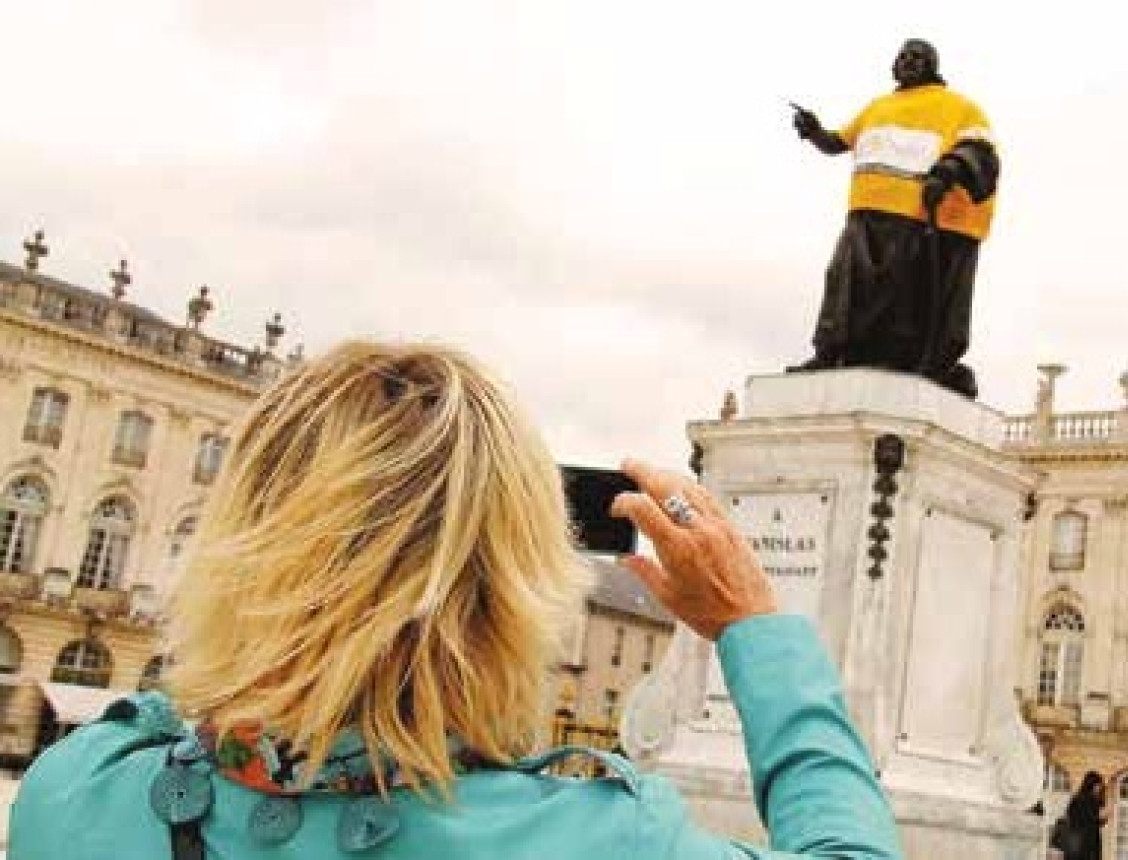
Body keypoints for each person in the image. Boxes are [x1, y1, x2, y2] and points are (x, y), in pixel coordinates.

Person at [11, 341, 902, 860]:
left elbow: (186, 713)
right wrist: (755, 626)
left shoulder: (75, 794)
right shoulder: (598, 838)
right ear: (512, 589)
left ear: (240, 546)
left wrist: (271, 651)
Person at [788, 38, 1000, 399]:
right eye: (902, 56)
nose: (907, 61)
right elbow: (839, 142)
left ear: (933, 65)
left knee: (897, 292)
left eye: (917, 57)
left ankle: (896, 358)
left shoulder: (959, 108)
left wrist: (946, 174)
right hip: (863, 211)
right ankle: (829, 351)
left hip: (913, 216)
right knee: (841, 281)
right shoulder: (877, 107)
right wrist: (814, 133)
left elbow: (979, 152)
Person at [1062, 770, 1107, 860]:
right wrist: (1103, 818)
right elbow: (1092, 822)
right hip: (1087, 845)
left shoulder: (1076, 799)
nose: (1099, 788)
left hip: (1073, 843)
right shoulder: (1091, 801)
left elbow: (1069, 816)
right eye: (1098, 785)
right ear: (1093, 785)